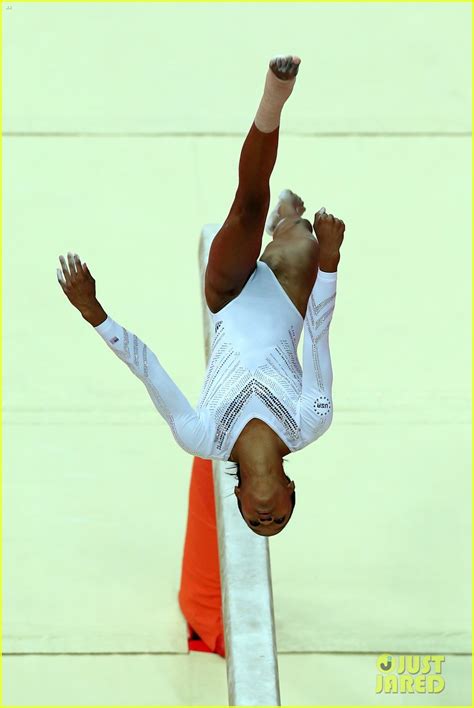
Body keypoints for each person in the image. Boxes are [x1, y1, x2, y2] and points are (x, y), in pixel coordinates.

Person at [56, 55, 345, 537]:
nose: (266, 519)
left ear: (237, 497)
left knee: (247, 207)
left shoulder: (201, 437)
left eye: (256, 521)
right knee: (307, 239)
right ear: (292, 492)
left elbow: (148, 369)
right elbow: (318, 336)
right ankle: (290, 225)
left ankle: (274, 96)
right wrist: (331, 261)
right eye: (278, 519)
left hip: (229, 296)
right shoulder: (310, 422)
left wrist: (95, 313)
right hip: (289, 301)